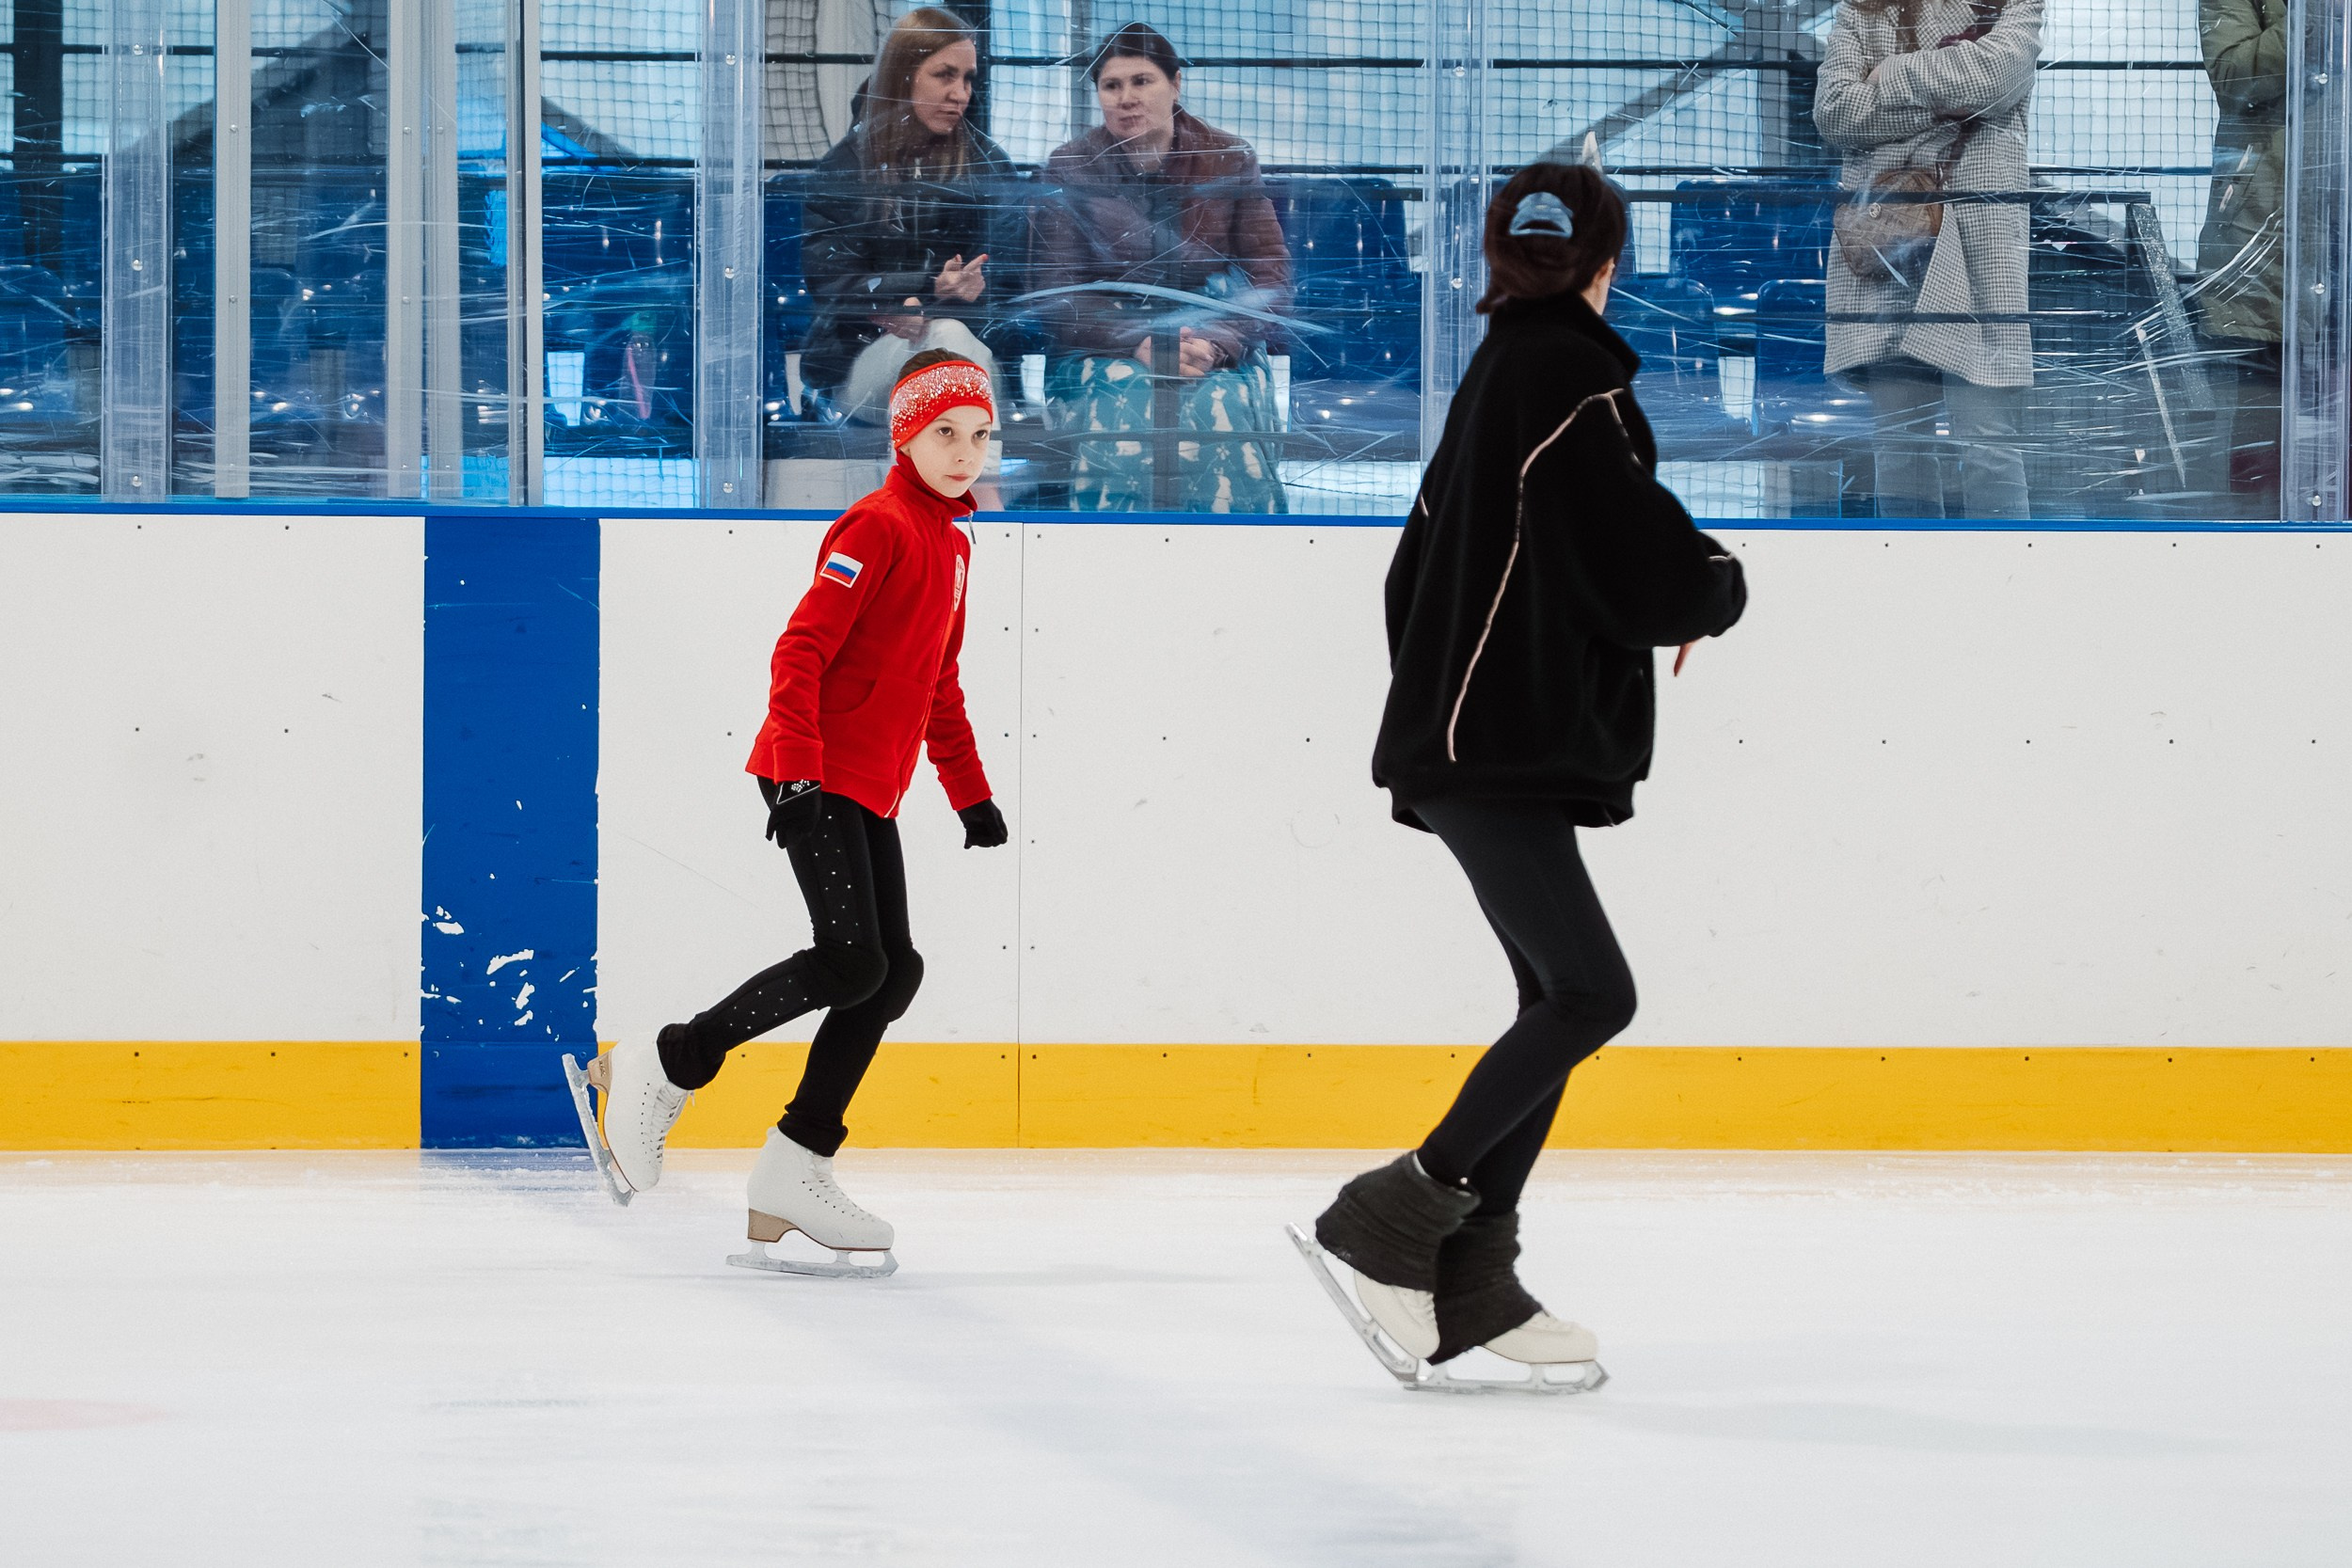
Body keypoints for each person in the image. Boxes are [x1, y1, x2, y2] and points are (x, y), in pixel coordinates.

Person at [1304, 165, 1745, 1383]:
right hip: (1488, 751)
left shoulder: (1502, 372)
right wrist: (1711, 582)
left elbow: (1417, 570)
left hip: (1474, 744)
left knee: (1552, 996)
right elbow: (1637, 557)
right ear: (1608, 261)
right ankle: (1399, 1215)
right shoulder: (1570, 374)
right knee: (1594, 994)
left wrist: (1448, 697)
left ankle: (1476, 1275)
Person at [579, 350, 1010, 1275]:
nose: (964, 452)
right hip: (811, 768)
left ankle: (794, 1163)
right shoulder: (879, 523)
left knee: (891, 972)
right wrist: (802, 774)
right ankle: (666, 1061)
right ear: (904, 434)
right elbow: (799, 653)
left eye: (979, 435)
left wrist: (968, 792)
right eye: (944, 432)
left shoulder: (955, 543)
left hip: (866, 781)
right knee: (853, 959)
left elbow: (939, 680)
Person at [1029, 22, 1292, 514]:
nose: (1126, 97)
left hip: (1211, 339)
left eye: (1141, 81)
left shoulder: (1230, 158)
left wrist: (1216, 343)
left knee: (1221, 406)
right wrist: (1139, 341)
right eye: (1112, 85)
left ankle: (1239, 563)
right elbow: (1057, 294)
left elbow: (1271, 281)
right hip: (1101, 344)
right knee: (1125, 401)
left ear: (1175, 84)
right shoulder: (1069, 167)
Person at [1816, 0, 2042, 518]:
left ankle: (2011, 586)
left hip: (1979, 242)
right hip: (1887, 239)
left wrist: (1889, 75)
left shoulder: (2013, 3)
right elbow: (1835, 111)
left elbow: (1997, 79)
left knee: (1988, 442)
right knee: (1899, 446)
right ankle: (1911, 591)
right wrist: (1950, 95)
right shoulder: (1862, 9)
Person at [799, 9, 1018, 436]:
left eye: (968, 78)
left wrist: (960, 297)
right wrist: (913, 297)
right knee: (947, 346)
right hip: (861, 367)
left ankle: (937, 498)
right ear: (903, 77)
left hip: (971, 355)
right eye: (944, 75)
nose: (960, 93)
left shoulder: (990, 167)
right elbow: (831, 285)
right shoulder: (844, 167)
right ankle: (980, 495)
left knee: (950, 340)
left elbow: (1016, 290)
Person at [2197, 0, 2286, 515]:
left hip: (2331, 231)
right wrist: (2318, 20)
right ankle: (2254, 567)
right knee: (2259, 429)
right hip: (2261, 242)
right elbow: (2233, 77)